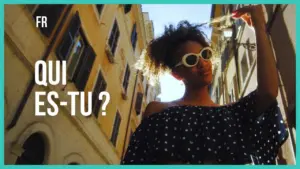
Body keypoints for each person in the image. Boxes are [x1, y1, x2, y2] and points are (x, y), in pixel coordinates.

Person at [121, 5, 288, 165]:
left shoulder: (231, 114)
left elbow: (268, 92)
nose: (202, 63)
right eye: (191, 60)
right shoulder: (158, 110)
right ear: (177, 74)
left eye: (205, 54)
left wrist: (259, 26)